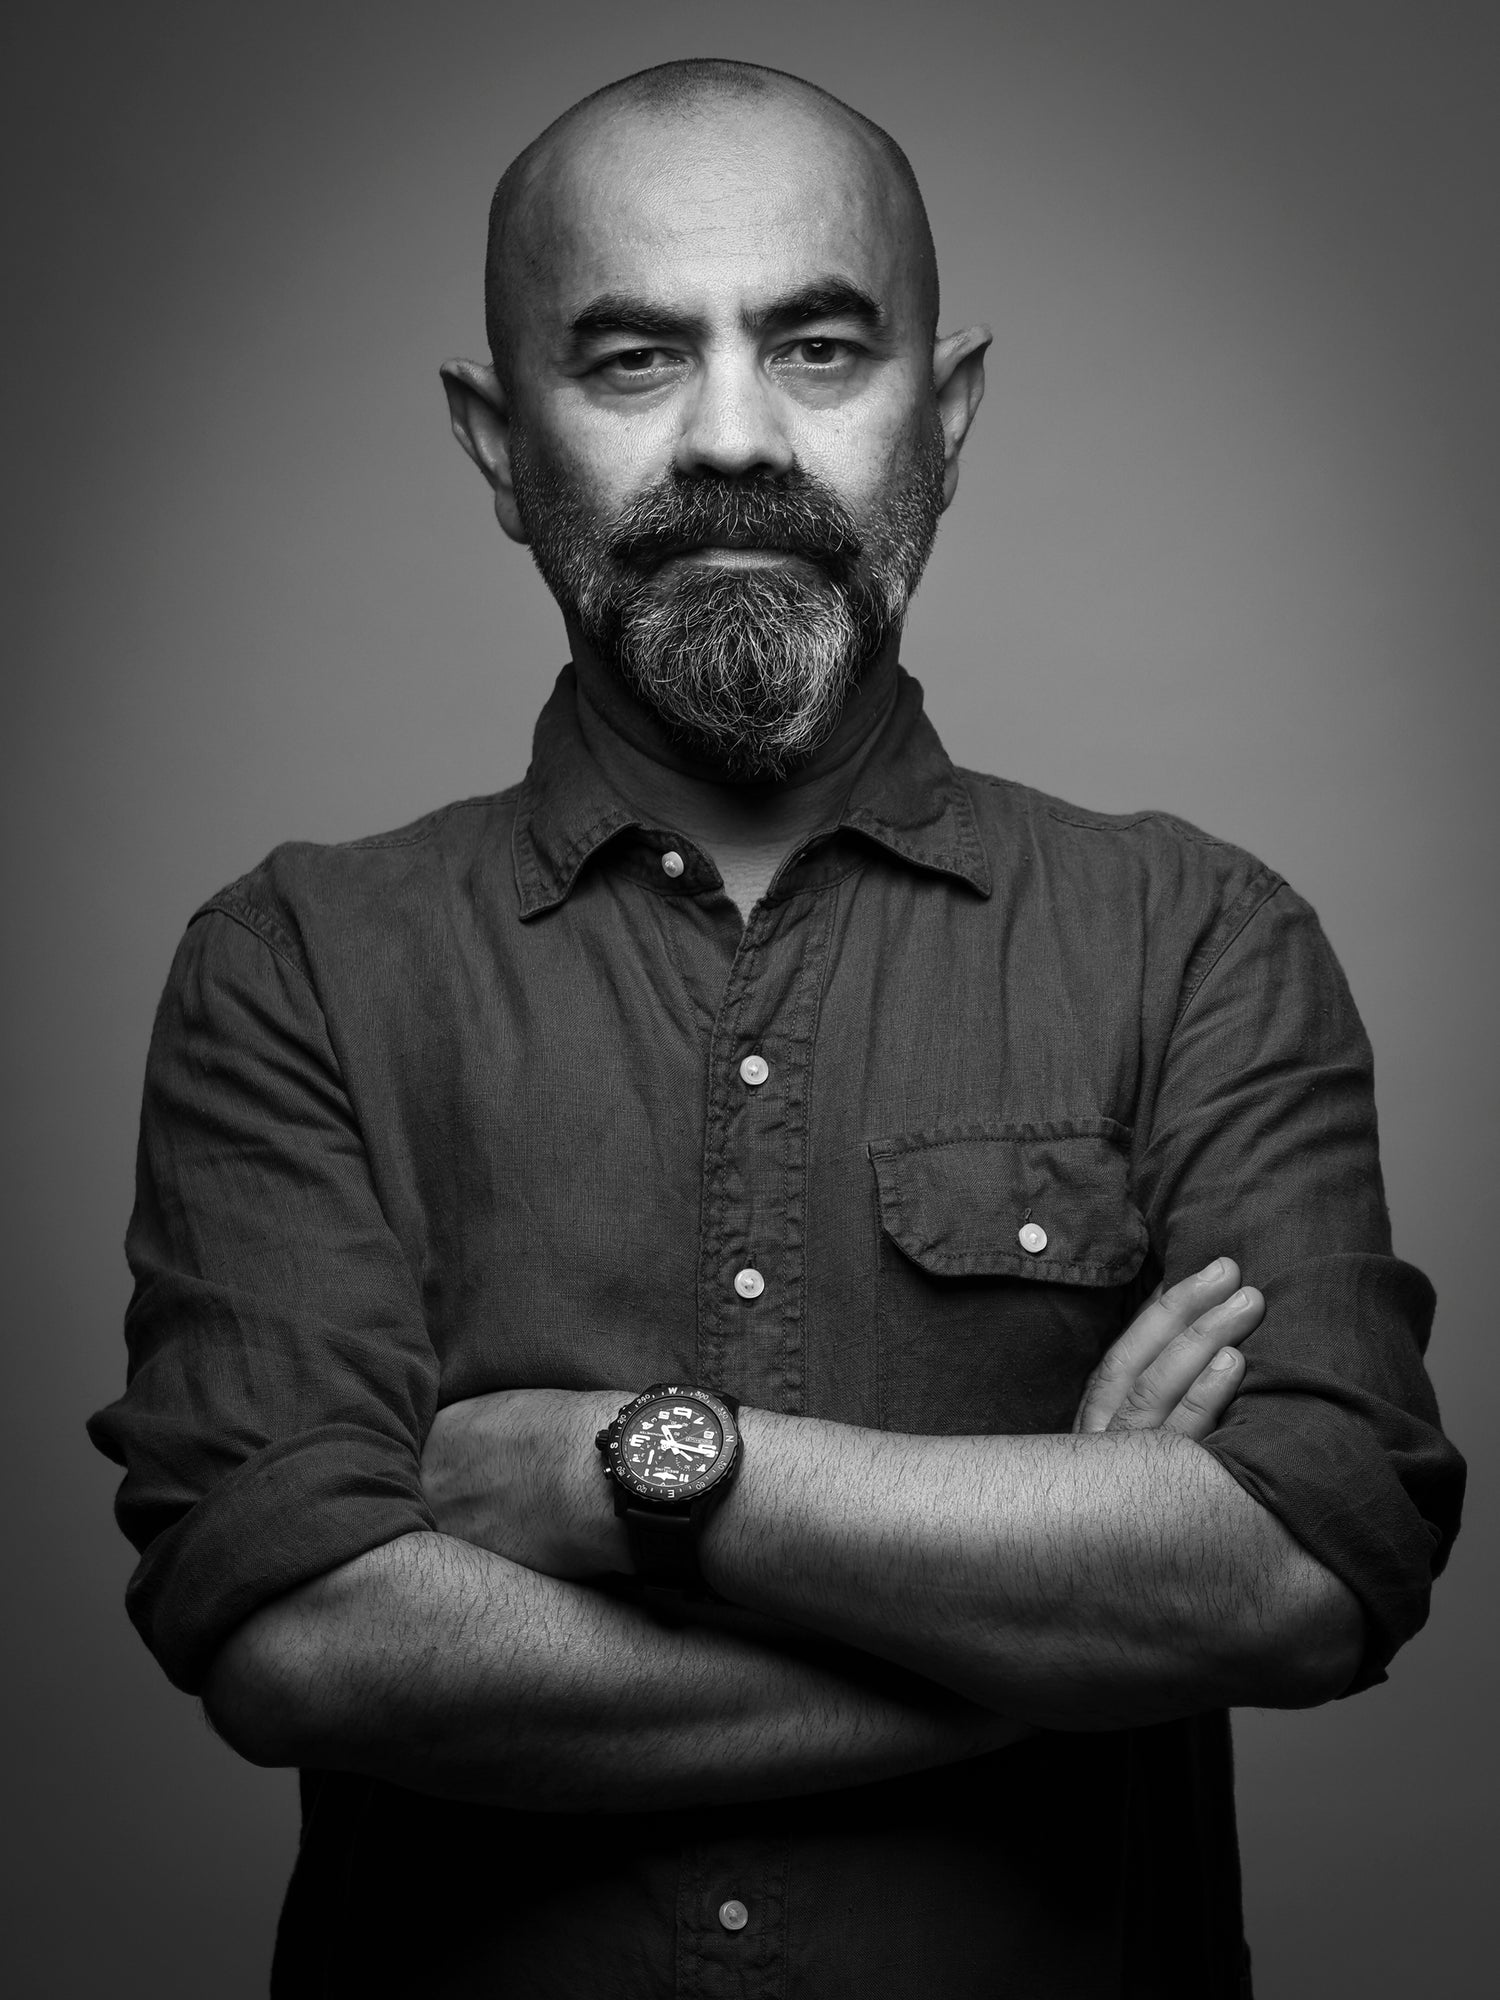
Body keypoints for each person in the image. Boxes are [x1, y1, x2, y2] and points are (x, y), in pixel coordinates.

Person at [89, 57, 1463, 1999]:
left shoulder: (1200, 941)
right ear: (498, 441)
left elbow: (1311, 1568)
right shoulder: (294, 965)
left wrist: (623, 1469)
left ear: (945, 413)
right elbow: (301, 1642)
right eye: (633, 359)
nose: (735, 435)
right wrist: (1049, 1642)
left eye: (820, 348)